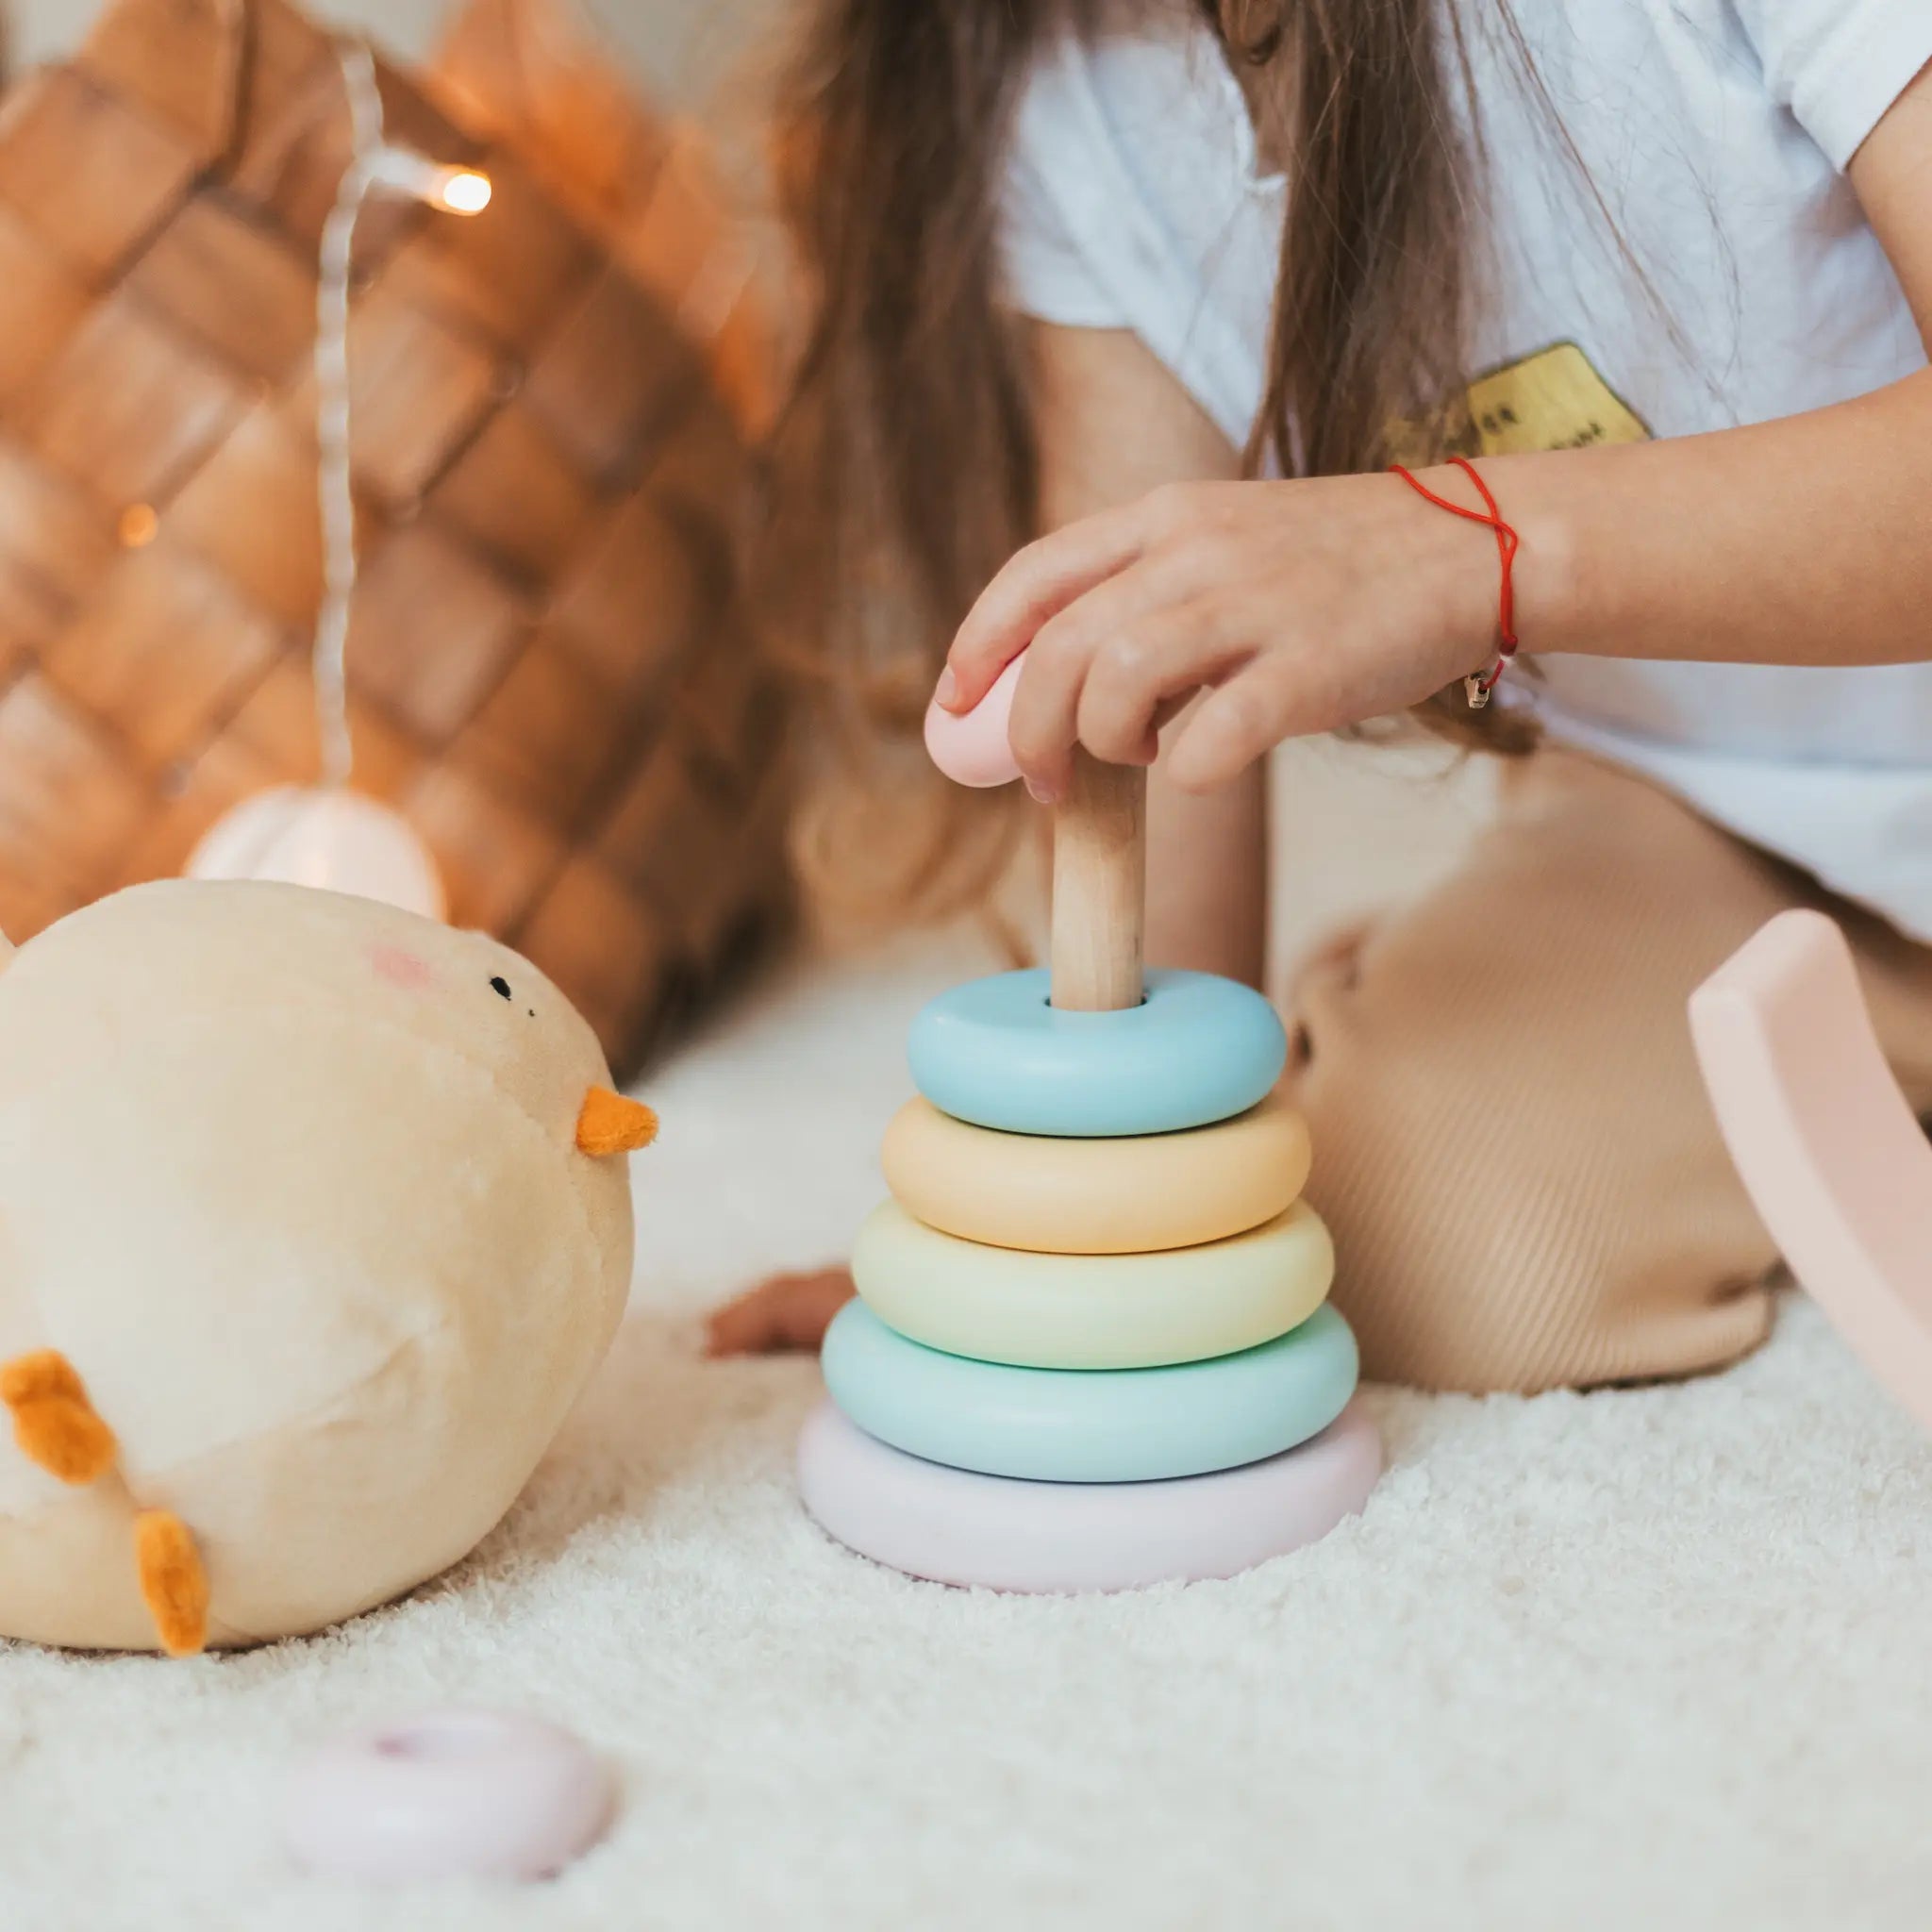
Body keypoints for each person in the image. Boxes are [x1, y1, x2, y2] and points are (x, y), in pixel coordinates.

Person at [708, 0, 1932, 1391]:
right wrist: (1071, 1241)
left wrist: (1471, 546)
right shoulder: (1077, 92)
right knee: (1391, 1250)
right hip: (1707, 824)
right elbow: (1138, 689)